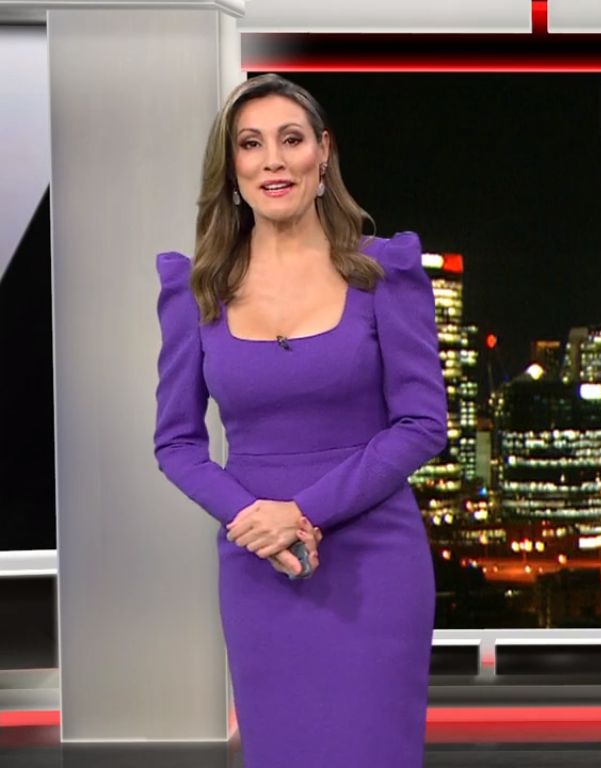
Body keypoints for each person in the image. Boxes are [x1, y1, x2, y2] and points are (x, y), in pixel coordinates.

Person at [152, 73, 446, 766]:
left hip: (376, 562)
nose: (273, 161)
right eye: (251, 144)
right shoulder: (197, 290)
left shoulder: (383, 274)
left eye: (291, 139)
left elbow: (421, 423)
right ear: (232, 168)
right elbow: (177, 442)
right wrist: (251, 516)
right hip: (259, 559)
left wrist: (303, 512)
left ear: (323, 153)